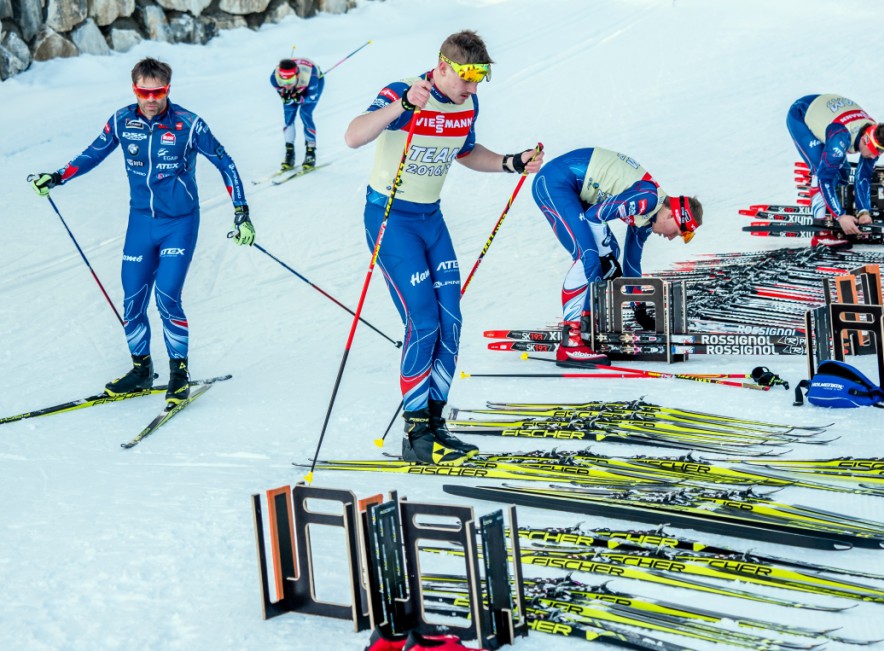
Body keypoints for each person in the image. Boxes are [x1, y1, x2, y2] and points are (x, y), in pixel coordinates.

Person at [344, 30, 543, 466]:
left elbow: (465, 151)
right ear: (442, 68)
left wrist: (512, 162)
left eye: (479, 79)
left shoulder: (468, 103)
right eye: (467, 78)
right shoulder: (406, 92)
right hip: (390, 217)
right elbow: (354, 136)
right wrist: (403, 106)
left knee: (451, 320)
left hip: (430, 219)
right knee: (424, 320)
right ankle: (414, 434)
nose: (473, 88)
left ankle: (436, 424)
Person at [29, 57, 254, 406]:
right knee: (132, 298)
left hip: (179, 222)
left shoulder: (188, 124)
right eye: (143, 91)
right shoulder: (122, 120)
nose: (151, 98)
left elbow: (226, 163)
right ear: (134, 89)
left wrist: (242, 213)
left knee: (166, 296)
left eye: (158, 91)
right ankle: (141, 370)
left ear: (168, 88)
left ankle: (179, 373)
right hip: (140, 222)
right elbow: (92, 154)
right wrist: (57, 176)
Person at [531, 147, 703, 365]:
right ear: (671, 215)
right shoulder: (647, 200)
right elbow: (595, 216)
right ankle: (571, 343)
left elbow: (631, 264)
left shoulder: (647, 217)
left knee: (611, 255)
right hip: (556, 183)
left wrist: (639, 309)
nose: (671, 238)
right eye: (677, 233)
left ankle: (584, 327)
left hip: (573, 190)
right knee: (591, 258)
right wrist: (606, 257)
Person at [786, 94, 884, 245]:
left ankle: (832, 210)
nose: (876, 155)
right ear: (864, 139)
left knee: (844, 172)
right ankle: (820, 233)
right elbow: (825, 178)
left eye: (880, 152)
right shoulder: (841, 137)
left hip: (826, 111)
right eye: (875, 151)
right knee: (822, 170)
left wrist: (864, 212)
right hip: (801, 115)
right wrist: (840, 216)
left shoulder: (874, 135)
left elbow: (863, 176)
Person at [270, 58, 324, 171]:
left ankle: (310, 153)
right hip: (300, 86)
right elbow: (283, 93)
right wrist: (287, 96)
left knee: (305, 113)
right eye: (283, 82)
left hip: (312, 84)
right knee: (288, 116)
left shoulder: (311, 77)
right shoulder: (274, 78)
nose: (286, 85)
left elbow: (311, 97)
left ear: (297, 76)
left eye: (289, 82)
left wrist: (298, 98)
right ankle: (289, 152)